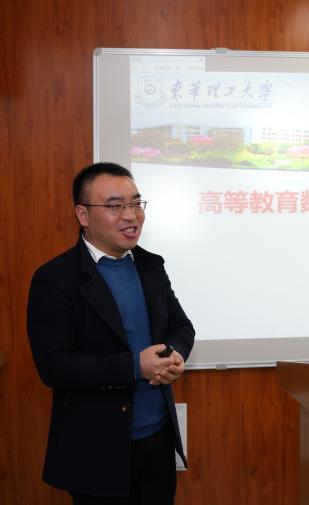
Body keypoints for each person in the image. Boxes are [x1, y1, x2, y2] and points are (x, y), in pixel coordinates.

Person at [27, 162, 195, 504]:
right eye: (115, 206)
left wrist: (174, 353)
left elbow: (181, 326)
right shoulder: (55, 278)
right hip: (96, 449)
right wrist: (134, 366)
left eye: (135, 203)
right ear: (83, 215)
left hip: (157, 440)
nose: (130, 216)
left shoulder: (150, 266)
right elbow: (54, 366)